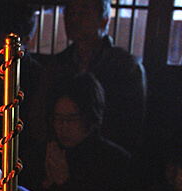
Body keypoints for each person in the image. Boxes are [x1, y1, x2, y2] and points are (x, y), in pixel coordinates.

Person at [29, 0, 146, 155]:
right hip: (59, 153)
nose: (74, 19)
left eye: (83, 12)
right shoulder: (57, 65)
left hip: (108, 157)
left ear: (104, 20)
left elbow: (130, 127)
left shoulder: (125, 66)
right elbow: (40, 119)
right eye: (70, 13)